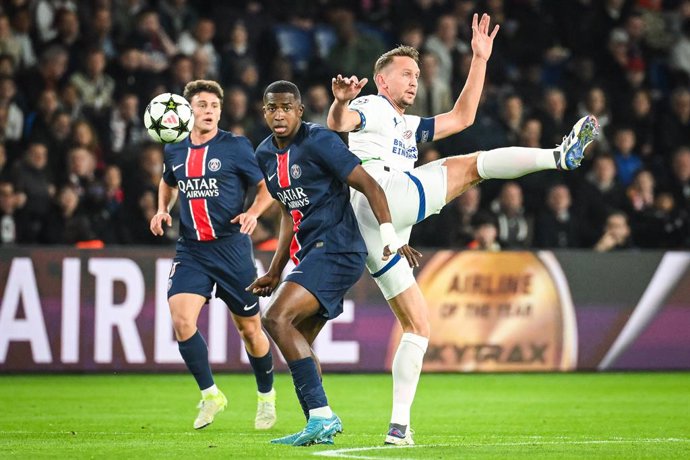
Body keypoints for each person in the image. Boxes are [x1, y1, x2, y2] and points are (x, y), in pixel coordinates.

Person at [327, 13, 600, 445]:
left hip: (379, 234)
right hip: (386, 198)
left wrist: (479, 58)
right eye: (405, 74)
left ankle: (399, 427)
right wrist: (342, 101)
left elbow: (463, 116)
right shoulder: (373, 106)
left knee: (418, 326)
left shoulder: (408, 125)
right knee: (473, 165)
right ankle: (558, 157)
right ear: (381, 80)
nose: (414, 82)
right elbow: (340, 125)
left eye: (417, 74)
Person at [247, 80, 420, 446]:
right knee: (300, 341)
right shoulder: (265, 154)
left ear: (298, 111)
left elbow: (370, 185)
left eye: (286, 108)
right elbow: (286, 210)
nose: (279, 114)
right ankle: (318, 425)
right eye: (272, 108)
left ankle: (322, 417)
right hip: (313, 251)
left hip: (339, 248)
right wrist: (276, 270)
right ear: (264, 112)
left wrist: (389, 237)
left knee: (275, 318)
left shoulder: (319, 141)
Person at [149, 80, 277, 431]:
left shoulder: (235, 146)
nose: (208, 111)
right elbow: (168, 181)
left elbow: (266, 187)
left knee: (250, 330)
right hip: (191, 249)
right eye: (201, 105)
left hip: (231, 248)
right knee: (181, 319)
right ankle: (210, 395)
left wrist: (253, 212)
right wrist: (162, 209)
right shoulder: (175, 148)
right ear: (186, 111)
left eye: (214, 106)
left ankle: (266, 398)